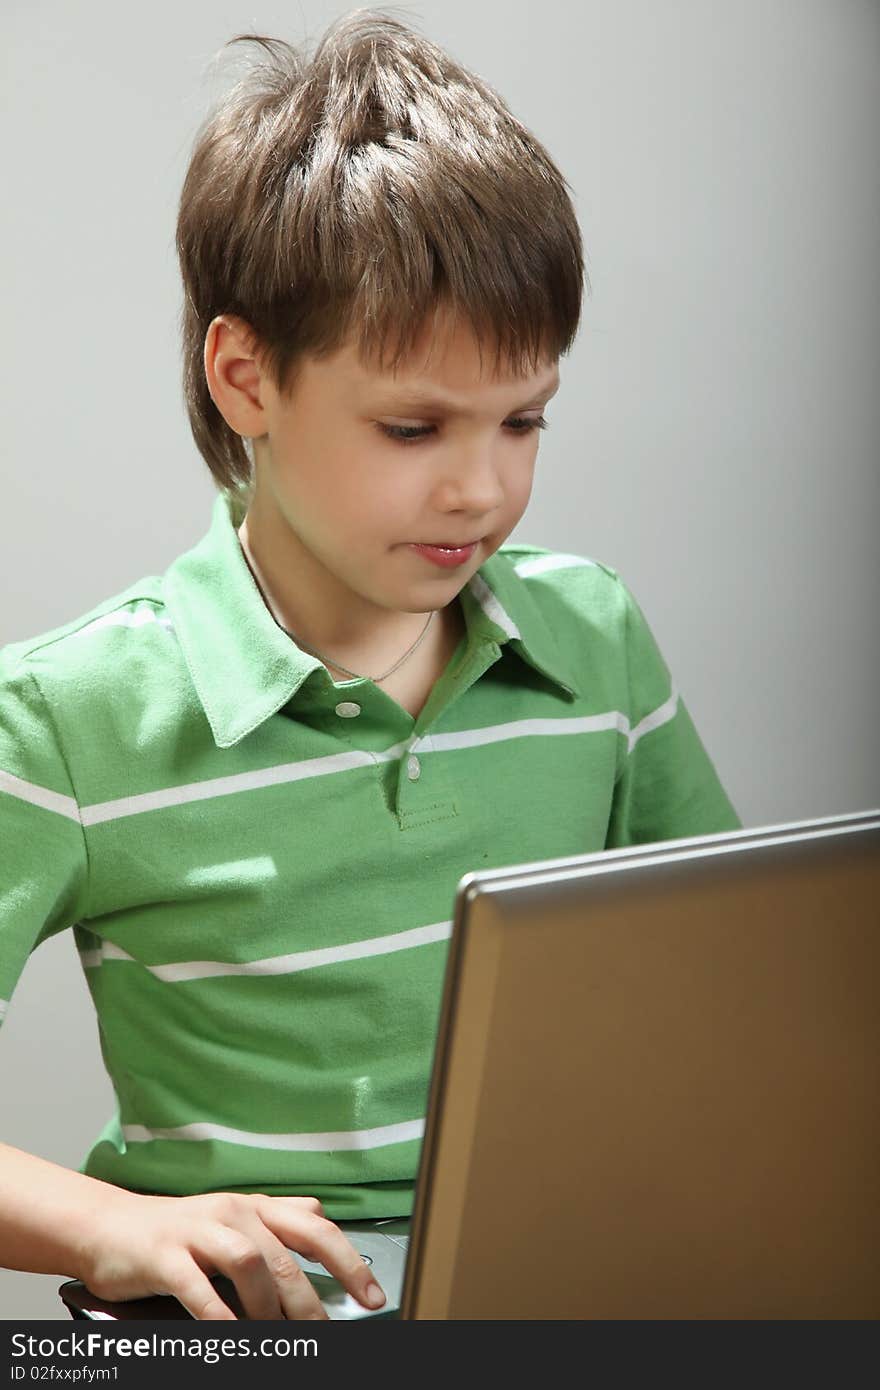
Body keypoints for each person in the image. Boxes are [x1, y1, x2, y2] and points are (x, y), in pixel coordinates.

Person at [0, 10, 741, 1321]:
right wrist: (112, 1222)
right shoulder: (66, 715)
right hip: (255, 1327)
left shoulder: (596, 642)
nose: (483, 484)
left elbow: (740, 1000)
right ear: (246, 378)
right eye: (414, 425)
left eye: (525, 419)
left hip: (571, 1282)